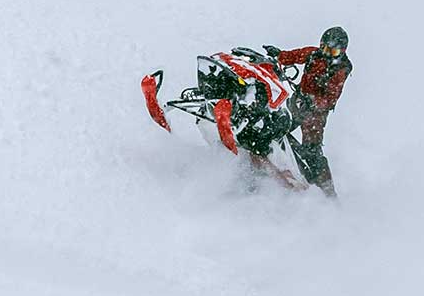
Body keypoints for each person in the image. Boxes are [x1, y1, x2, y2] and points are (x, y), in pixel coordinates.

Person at [148, 26, 351, 190]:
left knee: (311, 151)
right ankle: (260, 162)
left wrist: (314, 103)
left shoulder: (341, 68)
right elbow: (294, 56)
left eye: (331, 51)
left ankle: (325, 189)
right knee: (275, 129)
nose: (326, 54)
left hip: (315, 114)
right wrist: (278, 55)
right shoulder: (315, 54)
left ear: (341, 52)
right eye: (324, 48)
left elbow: (332, 96)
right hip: (296, 101)